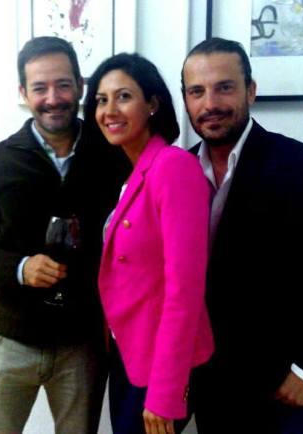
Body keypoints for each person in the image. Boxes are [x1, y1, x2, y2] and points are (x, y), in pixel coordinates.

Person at [180, 37, 303, 434]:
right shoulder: (177, 171)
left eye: (224, 87)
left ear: (250, 91)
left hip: (278, 386)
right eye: (197, 91)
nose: (210, 103)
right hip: (203, 381)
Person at [0, 36, 125, 433]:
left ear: (80, 86)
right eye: (40, 87)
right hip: (9, 342)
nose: (53, 98)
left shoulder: (112, 155)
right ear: (23, 93)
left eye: (63, 85)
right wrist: (19, 267)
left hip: (82, 345)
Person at [83, 53, 214, 434]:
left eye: (123, 96)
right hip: (129, 354)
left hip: (161, 365)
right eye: (101, 100)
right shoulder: (134, 173)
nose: (109, 110)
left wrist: (165, 392)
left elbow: (185, 290)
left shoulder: (173, 167)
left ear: (152, 104)